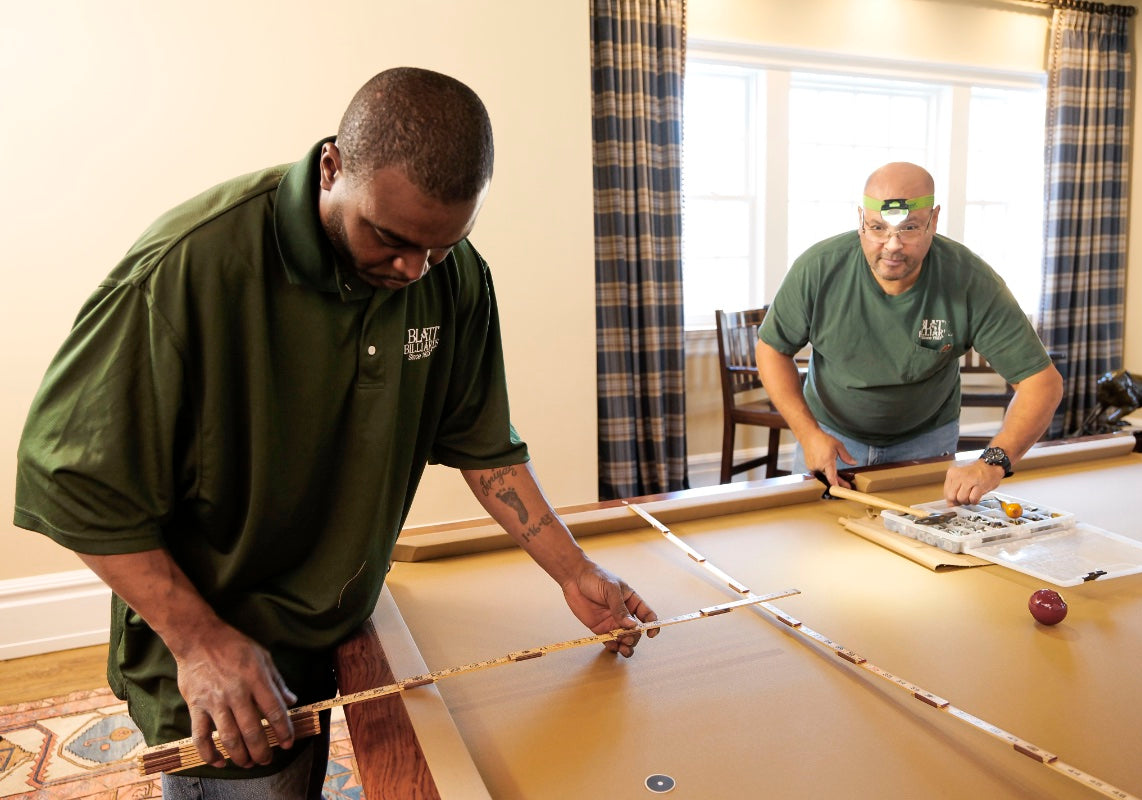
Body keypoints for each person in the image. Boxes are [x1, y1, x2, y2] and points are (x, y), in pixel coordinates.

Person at [13, 67, 658, 799]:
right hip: (214, 641)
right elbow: (72, 483)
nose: (414, 269)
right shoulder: (186, 267)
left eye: (441, 246)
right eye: (390, 237)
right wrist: (200, 643)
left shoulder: (453, 276)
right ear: (331, 169)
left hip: (336, 622)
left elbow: (487, 451)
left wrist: (578, 573)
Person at [756, 162, 1063, 506]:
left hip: (926, 443)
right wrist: (807, 433)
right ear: (861, 220)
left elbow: (1042, 382)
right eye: (877, 228)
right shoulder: (817, 268)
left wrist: (994, 461)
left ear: (933, 220)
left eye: (909, 228)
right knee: (821, 547)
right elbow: (771, 350)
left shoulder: (970, 280)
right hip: (830, 439)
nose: (892, 246)